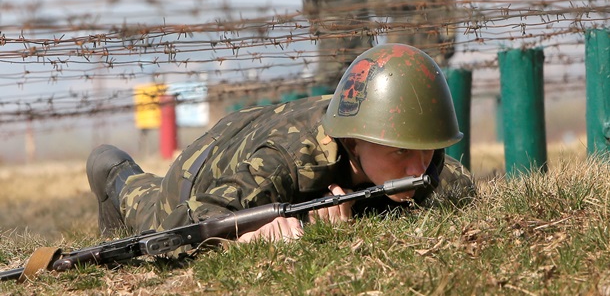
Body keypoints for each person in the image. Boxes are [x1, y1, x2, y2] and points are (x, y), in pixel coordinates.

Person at [87, 44, 475, 243]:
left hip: (263, 128)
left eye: (426, 149)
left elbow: (458, 185)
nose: (417, 168)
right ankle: (115, 171)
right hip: (205, 168)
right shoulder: (287, 161)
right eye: (400, 152)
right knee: (149, 210)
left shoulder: (421, 161)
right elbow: (185, 223)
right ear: (355, 141)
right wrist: (250, 236)